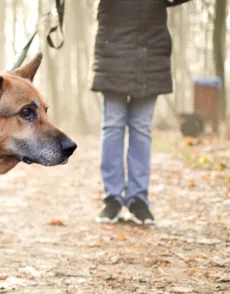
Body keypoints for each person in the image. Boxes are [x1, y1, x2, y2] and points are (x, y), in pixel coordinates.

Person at [91, 0, 190, 225]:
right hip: (113, 48)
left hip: (151, 49)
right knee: (113, 126)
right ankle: (113, 198)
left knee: (141, 127)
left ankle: (138, 199)